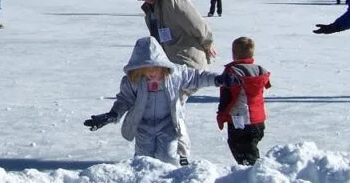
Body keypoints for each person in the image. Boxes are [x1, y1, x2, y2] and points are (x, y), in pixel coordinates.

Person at [83, 37, 237, 165]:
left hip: (167, 123)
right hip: (143, 125)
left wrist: (217, 79)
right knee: (144, 160)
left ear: (162, 64)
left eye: (155, 68)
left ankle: (170, 182)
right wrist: (113, 114)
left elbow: (197, 77)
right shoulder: (133, 81)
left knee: (168, 157)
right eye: (146, 70)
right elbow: (124, 99)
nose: (151, 73)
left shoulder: (176, 74)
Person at [130, 0, 216, 165]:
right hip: (170, 63)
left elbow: (195, 20)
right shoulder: (152, 8)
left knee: (173, 110)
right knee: (172, 108)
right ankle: (167, 154)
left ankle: (180, 154)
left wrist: (207, 42)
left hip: (186, 59)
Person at [216, 37, 271, 165]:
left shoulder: (232, 72)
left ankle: (252, 170)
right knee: (250, 145)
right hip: (258, 120)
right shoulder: (260, 70)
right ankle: (254, 168)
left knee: (238, 146)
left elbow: (226, 95)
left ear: (234, 53)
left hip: (239, 119)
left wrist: (221, 114)